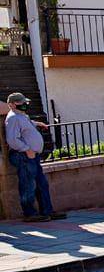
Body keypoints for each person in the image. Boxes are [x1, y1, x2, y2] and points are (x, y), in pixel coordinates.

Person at [5, 92, 66, 222]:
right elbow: (12, 139)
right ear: (11, 105)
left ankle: (47, 211)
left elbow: (25, 125)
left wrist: (36, 123)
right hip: (24, 156)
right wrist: (27, 150)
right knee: (28, 185)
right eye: (20, 103)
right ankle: (30, 214)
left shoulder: (21, 116)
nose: (24, 104)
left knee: (41, 184)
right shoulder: (13, 118)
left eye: (24, 102)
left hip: (31, 156)